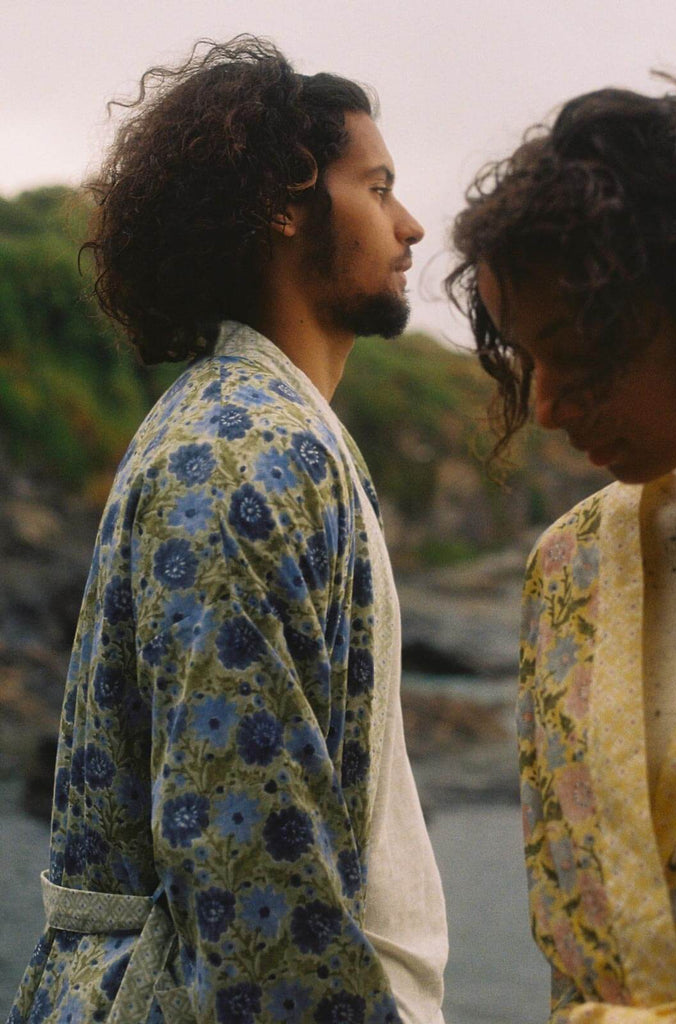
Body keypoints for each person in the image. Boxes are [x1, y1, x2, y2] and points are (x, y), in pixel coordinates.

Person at [9, 36, 447, 1024]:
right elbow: (255, 885)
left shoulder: (271, 433)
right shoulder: (240, 455)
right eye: (377, 188)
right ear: (284, 205)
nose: (411, 225)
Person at [447, 77, 676, 1022]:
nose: (544, 407)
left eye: (580, 354)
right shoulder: (567, 569)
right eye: (524, 359)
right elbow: (578, 939)